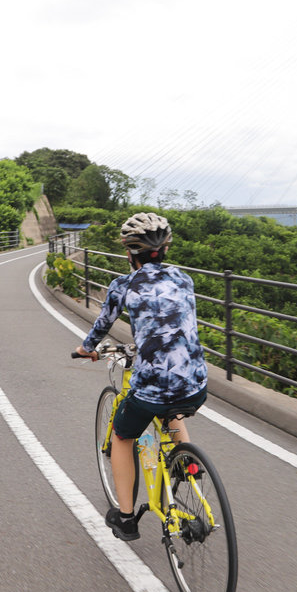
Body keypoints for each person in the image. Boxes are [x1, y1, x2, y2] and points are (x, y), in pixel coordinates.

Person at [74, 212, 208, 541]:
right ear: (165, 250)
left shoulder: (124, 285)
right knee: (172, 407)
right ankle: (188, 464)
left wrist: (87, 348)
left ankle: (125, 518)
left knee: (122, 435)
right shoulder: (184, 279)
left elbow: (103, 324)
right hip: (196, 381)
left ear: (129, 253)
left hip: (152, 386)